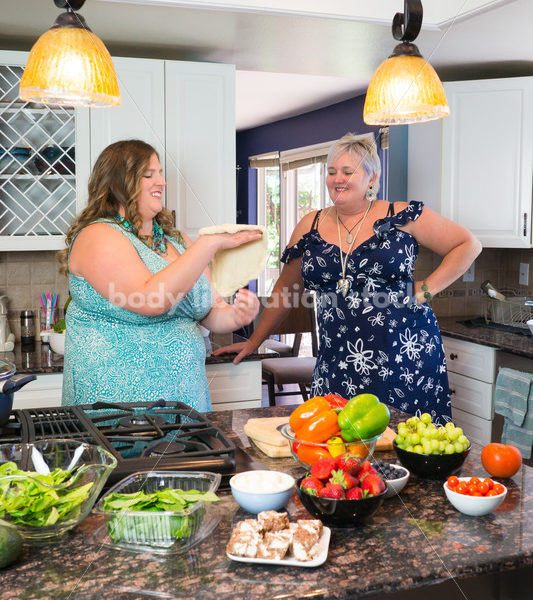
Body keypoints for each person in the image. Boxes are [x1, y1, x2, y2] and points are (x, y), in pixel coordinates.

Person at [213, 132, 482, 423]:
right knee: (334, 446)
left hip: (403, 355)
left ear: (371, 178)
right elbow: (286, 291)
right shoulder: (310, 225)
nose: (337, 179)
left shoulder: (401, 215)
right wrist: (254, 341)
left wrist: (425, 290)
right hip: (338, 359)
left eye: (347, 171)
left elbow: (468, 245)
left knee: (406, 448)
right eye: (331, 172)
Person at [57, 139, 261, 412]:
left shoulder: (178, 242)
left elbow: (209, 311)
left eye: (161, 173)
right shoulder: (98, 236)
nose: (162, 182)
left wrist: (236, 316)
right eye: (149, 175)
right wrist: (209, 244)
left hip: (187, 405)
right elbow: (151, 300)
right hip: (116, 411)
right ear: (117, 183)